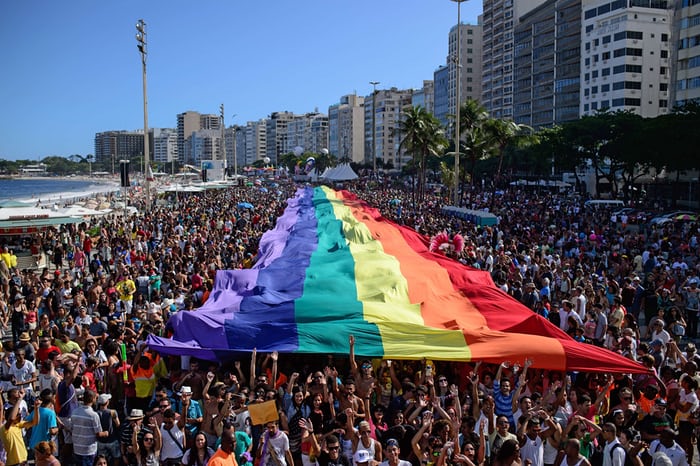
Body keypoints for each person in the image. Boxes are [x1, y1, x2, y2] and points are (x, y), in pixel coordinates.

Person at [0, 397, 42, 466]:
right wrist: (19, 400)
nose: (21, 416)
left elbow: (35, 422)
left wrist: (36, 409)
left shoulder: (18, 425)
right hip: (13, 463)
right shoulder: (4, 428)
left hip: (23, 460)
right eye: (18, 415)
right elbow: (11, 418)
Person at [72, 389, 109, 466]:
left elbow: (71, 427)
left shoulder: (74, 412)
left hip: (77, 448)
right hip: (88, 450)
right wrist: (105, 433)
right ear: (93, 399)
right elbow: (98, 433)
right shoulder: (93, 415)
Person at [96, 393, 121, 466]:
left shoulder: (95, 413)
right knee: (116, 457)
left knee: (102, 459)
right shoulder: (112, 412)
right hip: (112, 440)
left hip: (100, 441)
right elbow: (118, 424)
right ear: (107, 402)